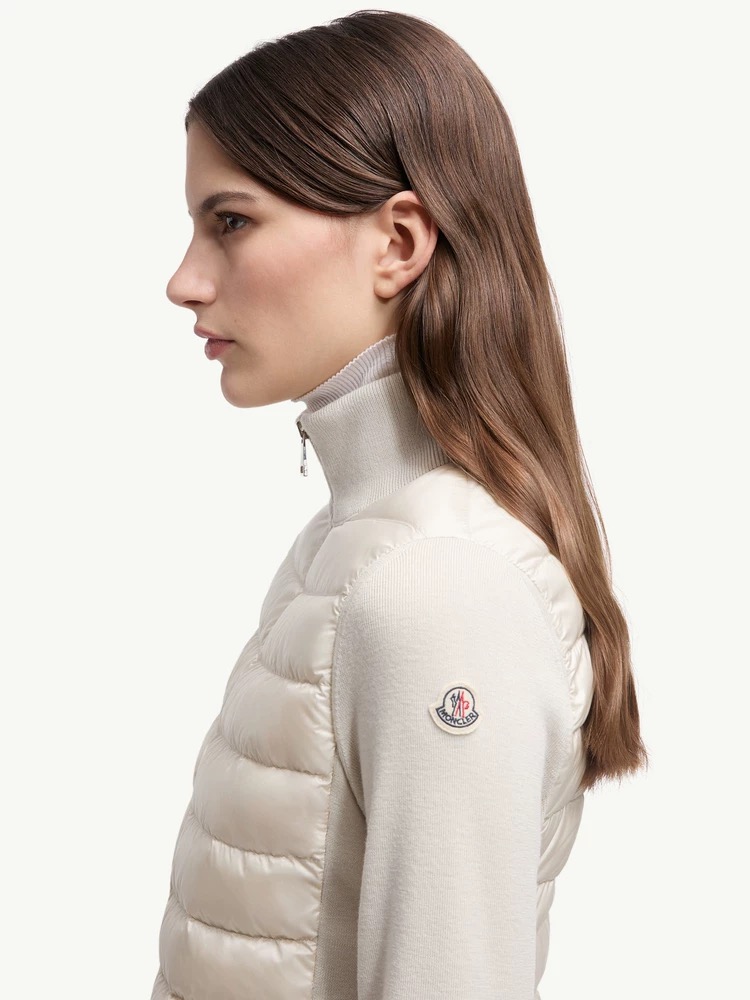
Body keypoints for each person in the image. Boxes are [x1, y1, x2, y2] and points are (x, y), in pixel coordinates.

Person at [151, 9, 649, 999]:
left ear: (399, 241)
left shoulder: (437, 585)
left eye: (231, 222)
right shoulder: (355, 544)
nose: (184, 280)